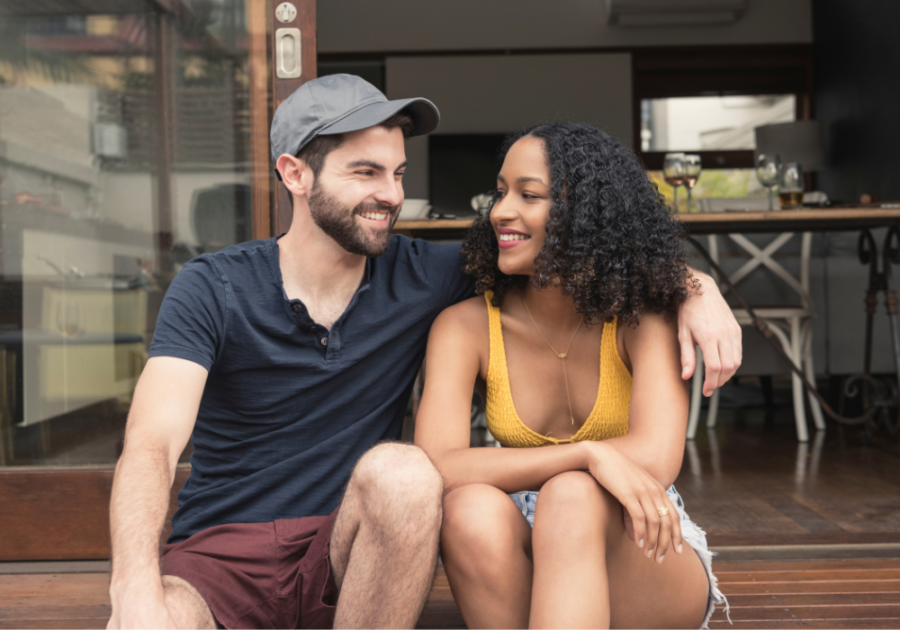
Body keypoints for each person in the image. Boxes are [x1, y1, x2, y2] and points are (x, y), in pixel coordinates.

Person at [106, 76, 740, 629]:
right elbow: (152, 446)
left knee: (411, 475)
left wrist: (695, 286)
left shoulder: (427, 275)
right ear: (294, 173)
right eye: (365, 172)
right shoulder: (213, 286)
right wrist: (133, 589)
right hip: (221, 558)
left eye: (397, 173)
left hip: (345, 554)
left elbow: (590, 247)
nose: (390, 194)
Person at [415, 122, 730, 629]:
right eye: (500, 193)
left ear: (588, 215)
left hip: (642, 546)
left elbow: (655, 459)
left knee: (573, 495)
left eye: (528, 195)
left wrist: (576, 475)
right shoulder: (464, 326)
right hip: (526, 550)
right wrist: (588, 453)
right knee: (467, 508)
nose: (500, 211)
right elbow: (436, 467)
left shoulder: (641, 319)